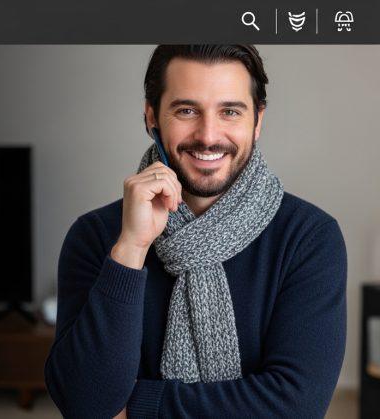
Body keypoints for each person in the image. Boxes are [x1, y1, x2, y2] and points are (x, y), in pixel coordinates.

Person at [45, 45, 347, 418]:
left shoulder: (308, 238)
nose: (208, 135)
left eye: (230, 111)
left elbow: (296, 406)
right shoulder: (97, 236)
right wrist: (131, 248)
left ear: (258, 121)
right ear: (152, 116)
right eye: (187, 110)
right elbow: (85, 404)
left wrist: (141, 407)